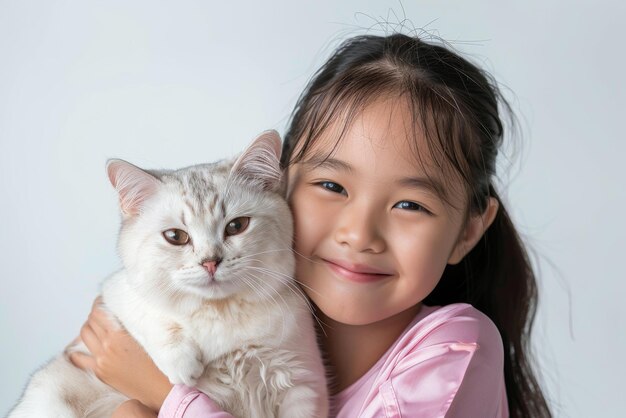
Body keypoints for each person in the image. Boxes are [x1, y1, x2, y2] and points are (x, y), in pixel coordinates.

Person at [69, 33, 552, 417]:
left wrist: (163, 397)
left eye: (409, 205)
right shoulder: (215, 321)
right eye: (333, 187)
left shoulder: (458, 348)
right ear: (277, 186)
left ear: (468, 230)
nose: (359, 234)